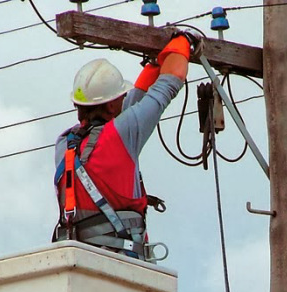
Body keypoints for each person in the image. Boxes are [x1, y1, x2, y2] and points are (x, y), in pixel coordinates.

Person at [51, 34, 193, 261]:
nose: (124, 97)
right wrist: (184, 42)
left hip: (80, 258)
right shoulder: (121, 135)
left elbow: (131, 106)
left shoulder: (64, 143)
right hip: (122, 261)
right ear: (109, 106)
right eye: (119, 96)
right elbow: (171, 80)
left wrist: (155, 64)